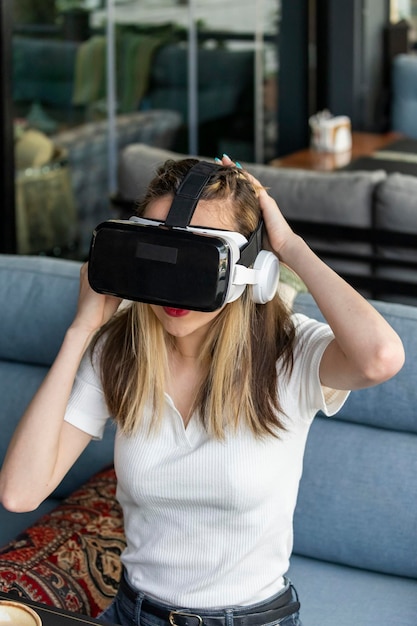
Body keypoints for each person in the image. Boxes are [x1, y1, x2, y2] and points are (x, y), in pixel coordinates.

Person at [0, 155, 404, 626]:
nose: (172, 291)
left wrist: (289, 246)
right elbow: (19, 493)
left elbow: (381, 358)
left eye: (198, 260)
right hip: (132, 614)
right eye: (159, 253)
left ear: (253, 273)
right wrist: (81, 330)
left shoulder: (289, 352)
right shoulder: (119, 351)